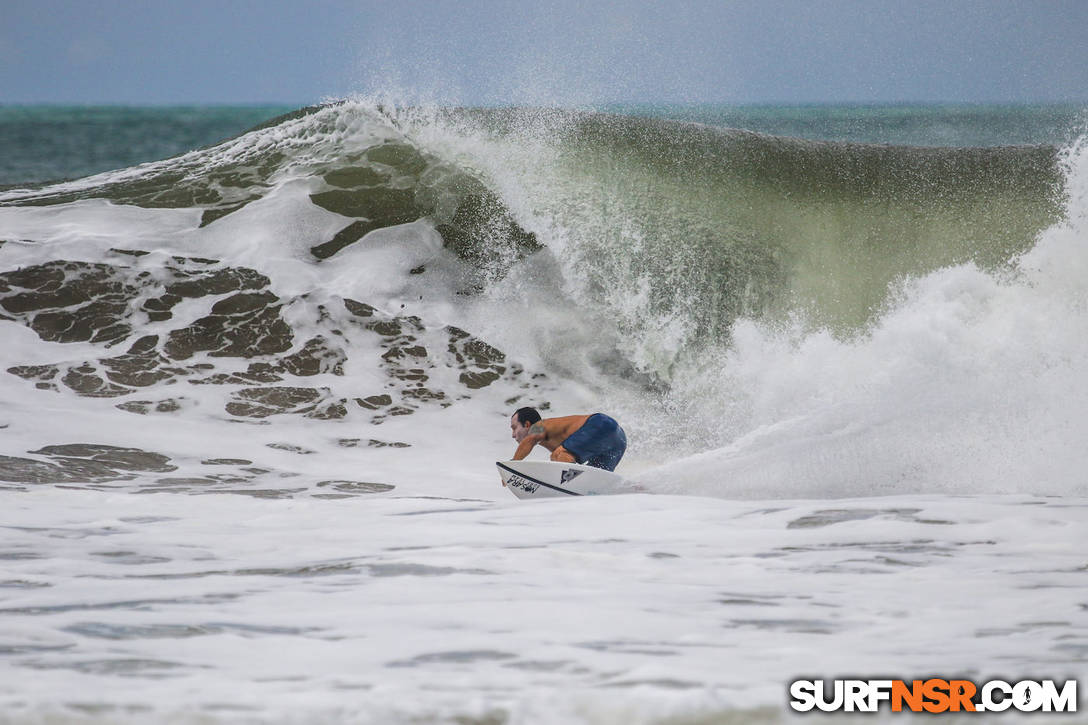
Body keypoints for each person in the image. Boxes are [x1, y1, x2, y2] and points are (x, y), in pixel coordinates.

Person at [509, 407, 627, 472]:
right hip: (619, 439)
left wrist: (512, 467)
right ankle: (636, 488)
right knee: (595, 477)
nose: (513, 435)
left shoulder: (539, 426)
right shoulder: (556, 439)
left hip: (600, 424)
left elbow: (530, 439)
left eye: (514, 428)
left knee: (558, 455)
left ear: (527, 424)